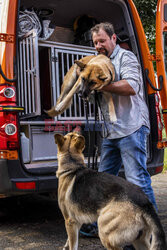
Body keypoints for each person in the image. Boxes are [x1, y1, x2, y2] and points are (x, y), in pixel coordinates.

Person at [80, 22, 158, 248]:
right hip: (111, 131)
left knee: (137, 180)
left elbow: (132, 86)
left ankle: (152, 234)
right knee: (103, 180)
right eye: (95, 42)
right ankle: (100, 224)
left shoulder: (126, 58)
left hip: (131, 127)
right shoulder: (96, 63)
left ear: (113, 39)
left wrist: (102, 85)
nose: (98, 46)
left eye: (102, 41)